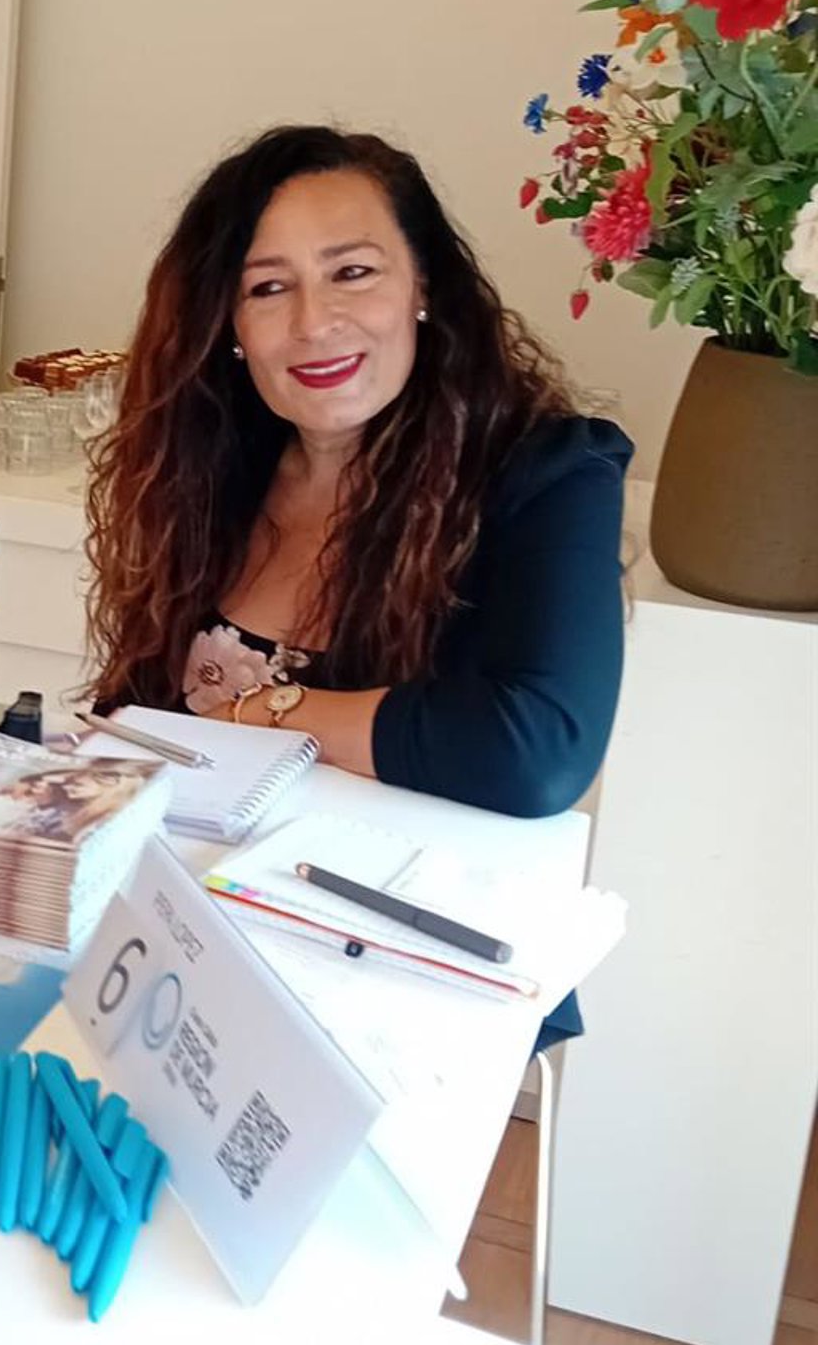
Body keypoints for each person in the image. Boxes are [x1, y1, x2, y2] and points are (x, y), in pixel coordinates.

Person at [86, 125, 632, 847]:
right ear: (230, 325)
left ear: (422, 285)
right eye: (268, 287)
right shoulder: (207, 468)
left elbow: (539, 754)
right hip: (186, 893)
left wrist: (265, 711)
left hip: (403, 900)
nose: (314, 323)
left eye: (352, 273)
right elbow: (136, 723)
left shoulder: (548, 470)